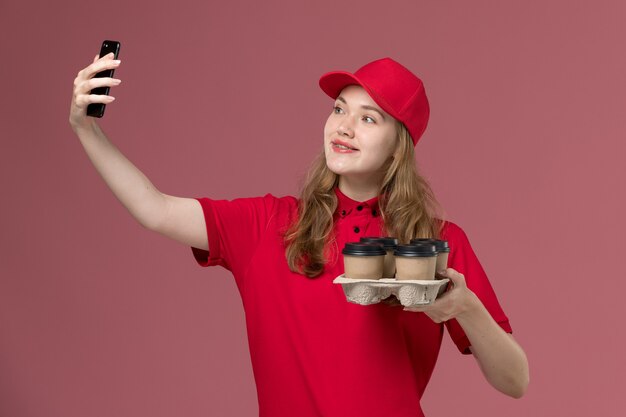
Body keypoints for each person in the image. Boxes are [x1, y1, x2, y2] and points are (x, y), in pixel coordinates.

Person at [70, 55, 529, 417]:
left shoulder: (435, 244)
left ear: (400, 144)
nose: (344, 126)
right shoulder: (269, 225)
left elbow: (515, 381)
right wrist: (86, 129)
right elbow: (154, 209)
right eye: (339, 109)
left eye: (370, 118)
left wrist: (467, 308)